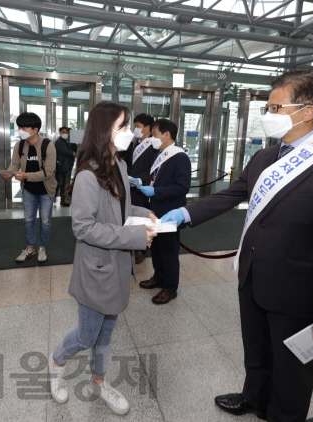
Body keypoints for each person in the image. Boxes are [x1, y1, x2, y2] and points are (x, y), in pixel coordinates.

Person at [161, 70, 313, 422]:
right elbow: (232, 193)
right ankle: (254, 398)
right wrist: (185, 212)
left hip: (298, 290)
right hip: (253, 276)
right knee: (256, 351)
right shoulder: (264, 158)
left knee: (292, 371)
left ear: (308, 111)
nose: (267, 115)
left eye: (275, 107)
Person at [48, 101, 158, 415]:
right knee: (86, 334)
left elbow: (121, 210)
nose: (131, 132)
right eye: (123, 126)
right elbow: (83, 227)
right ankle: (56, 362)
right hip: (96, 268)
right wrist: (136, 236)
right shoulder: (87, 176)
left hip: (118, 266)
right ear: (104, 130)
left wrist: (143, 214)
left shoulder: (119, 165)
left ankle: (99, 381)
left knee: (107, 331)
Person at [133, 119, 190, 304]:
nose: (153, 138)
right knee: (156, 248)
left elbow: (182, 187)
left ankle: (171, 288)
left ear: (166, 135)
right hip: (154, 209)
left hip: (169, 212)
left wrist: (156, 191)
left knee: (169, 251)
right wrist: (140, 181)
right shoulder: (162, 154)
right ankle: (159, 277)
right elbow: (153, 176)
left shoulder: (179, 157)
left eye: (155, 134)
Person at [0, 112, 57, 263]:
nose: (20, 130)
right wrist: (9, 172)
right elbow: (15, 163)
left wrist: (27, 176)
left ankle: (42, 247)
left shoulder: (48, 145)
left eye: (24, 127)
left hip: (46, 190)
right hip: (29, 190)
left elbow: (49, 172)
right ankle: (30, 248)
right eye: (19, 127)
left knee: (45, 221)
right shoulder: (19, 145)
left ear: (35, 129)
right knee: (29, 219)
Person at [126, 113, 159, 264]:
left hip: (143, 189)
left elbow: (153, 169)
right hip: (130, 187)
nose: (135, 129)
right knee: (131, 217)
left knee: (141, 218)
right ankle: (132, 246)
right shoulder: (135, 144)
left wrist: (140, 180)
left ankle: (141, 249)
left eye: (138, 126)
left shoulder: (153, 146)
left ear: (147, 128)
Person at [54, 126, 76, 206]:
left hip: (66, 166)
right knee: (60, 183)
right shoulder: (59, 142)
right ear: (60, 133)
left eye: (66, 132)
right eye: (63, 132)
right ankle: (58, 198)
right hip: (61, 166)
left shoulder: (66, 141)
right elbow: (64, 151)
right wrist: (72, 153)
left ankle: (61, 199)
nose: (65, 134)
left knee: (63, 183)